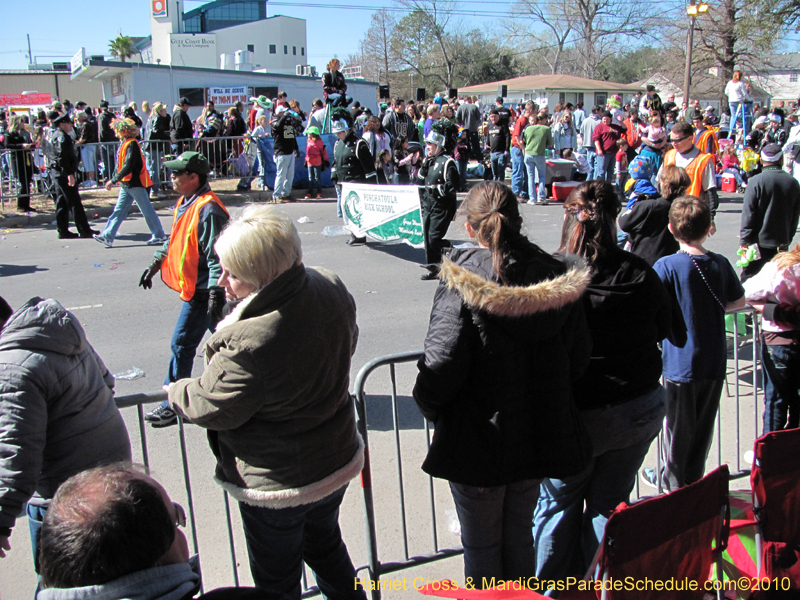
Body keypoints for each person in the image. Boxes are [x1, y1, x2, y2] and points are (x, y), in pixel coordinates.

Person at [168, 205, 366, 599]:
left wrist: (175, 391)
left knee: (276, 581)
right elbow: (347, 343)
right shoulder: (328, 284)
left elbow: (212, 405)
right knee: (326, 548)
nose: (222, 282)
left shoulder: (249, 341)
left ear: (265, 275)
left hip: (279, 484)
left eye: (233, 274)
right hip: (335, 459)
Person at [413, 181, 592, 585]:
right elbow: (577, 359)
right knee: (518, 538)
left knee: (483, 550)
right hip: (534, 434)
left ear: (470, 227)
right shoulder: (556, 275)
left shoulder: (461, 278)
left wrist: (431, 407)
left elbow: (441, 363)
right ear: (517, 219)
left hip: (479, 440)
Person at [534, 180, 670, 583]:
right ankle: (597, 587)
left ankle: (551, 589)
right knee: (607, 505)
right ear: (614, 221)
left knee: (558, 507)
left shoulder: (553, 277)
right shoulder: (640, 272)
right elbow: (668, 330)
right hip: (634, 408)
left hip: (580, 416)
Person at [0, 296, 132, 571]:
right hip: (113, 482)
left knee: (59, 585)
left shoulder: (12, 368)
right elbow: (107, 382)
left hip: (66, 502)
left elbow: (16, 455)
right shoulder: (56, 332)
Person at [643, 195, 745, 491]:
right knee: (702, 430)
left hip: (679, 362)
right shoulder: (720, 263)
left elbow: (653, 308)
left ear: (672, 230)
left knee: (676, 432)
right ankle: (693, 483)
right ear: (708, 228)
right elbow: (737, 301)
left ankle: (674, 490)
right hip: (713, 360)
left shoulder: (667, 265)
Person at [141, 152, 230, 427]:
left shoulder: (209, 209)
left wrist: (216, 293)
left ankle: (173, 403)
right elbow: (176, 239)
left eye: (178, 173)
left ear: (194, 178)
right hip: (197, 291)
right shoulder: (186, 202)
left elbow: (217, 257)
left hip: (207, 293)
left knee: (188, 344)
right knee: (228, 345)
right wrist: (156, 262)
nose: (172, 177)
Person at [743, 243, 800, 434]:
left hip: (778, 340)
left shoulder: (779, 267)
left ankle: (769, 455)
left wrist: (766, 308)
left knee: (776, 401)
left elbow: (747, 292)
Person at [93, 118, 168, 248]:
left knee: (146, 209)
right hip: (127, 183)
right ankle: (108, 236)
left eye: (117, 130)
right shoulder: (127, 143)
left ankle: (159, 235)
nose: (116, 133)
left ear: (123, 131)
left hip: (134, 183)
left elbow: (128, 165)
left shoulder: (131, 144)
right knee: (119, 210)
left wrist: (113, 180)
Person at [739, 143, 800, 281]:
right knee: (776, 280)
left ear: (761, 160)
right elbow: (795, 216)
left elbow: (749, 214)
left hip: (756, 242)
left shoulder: (756, 181)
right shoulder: (792, 182)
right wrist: (787, 238)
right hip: (781, 242)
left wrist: (745, 240)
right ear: (781, 160)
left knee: (750, 280)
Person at [619, 164, 688, 266]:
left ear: (663, 183)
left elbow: (624, 222)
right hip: (672, 258)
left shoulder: (649, 205)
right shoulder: (685, 207)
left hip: (645, 260)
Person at [418, 121, 459, 280]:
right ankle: (434, 269)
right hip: (428, 204)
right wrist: (423, 166)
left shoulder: (447, 162)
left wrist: (437, 189)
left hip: (442, 206)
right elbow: (419, 181)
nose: (427, 146)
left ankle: (454, 252)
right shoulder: (429, 160)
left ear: (439, 145)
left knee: (435, 238)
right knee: (427, 238)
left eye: (430, 144)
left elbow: (453, 186)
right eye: (427, 143)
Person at [45, 112, 97, 239]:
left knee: (62, 202)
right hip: (63, 173)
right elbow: (62, 158)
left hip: (57, 173)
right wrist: (69, 174)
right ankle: (84, 230)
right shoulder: (63, 137)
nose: (71, 125)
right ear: (62, 124)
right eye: (69, 123)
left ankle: (62, 230)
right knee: (75, 202)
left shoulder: (55, 136)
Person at [330, 108, 377, 244]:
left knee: (357, 212)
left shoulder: (359, 144)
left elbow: (369, 168)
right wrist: (334, 174)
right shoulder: (338, 144)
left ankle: (360, 235)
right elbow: (336, 161)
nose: (338, 135)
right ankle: (354, 233)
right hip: (343, 183)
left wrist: (372, 186)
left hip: (357, 184)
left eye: (340, 132)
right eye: (337, 133)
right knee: (347, 212)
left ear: (347, 130)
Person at [660, 121, 719, 219]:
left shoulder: (703, 160)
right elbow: (659, 184)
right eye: (671, 140)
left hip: (692, 212)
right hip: (670, 211)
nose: (674, 143)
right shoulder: (669, 155)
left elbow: (710, 191)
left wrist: (710, 217)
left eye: (678, 140)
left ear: (690, 138)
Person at [4, 115, 36, 211]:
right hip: (17, 160)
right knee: (23, 183)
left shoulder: (25, 132)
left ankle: (27, 205)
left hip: (27, 159)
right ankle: (21, 205)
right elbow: (7, 145)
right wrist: (21, 146)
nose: (23, 124)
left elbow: (29, 142)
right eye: (22, 122)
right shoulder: (9, 132)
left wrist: (31, 145)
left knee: (28, 182)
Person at [523, 113, 554, 206]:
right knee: (542, 176)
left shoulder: (528, 128)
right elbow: (550, 142)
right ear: (544, 119)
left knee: (531, 177)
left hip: (528, 153)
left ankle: (532, 199)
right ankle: (541, 197)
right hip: (539, 154)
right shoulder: (546, 129)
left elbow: (524, 140)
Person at [271, 105, 300, 203]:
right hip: (281, 151)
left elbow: (292, 135)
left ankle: (286, 194)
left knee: (290, 175)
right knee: (281, 174)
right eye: (283, 112)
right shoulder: (275, 120)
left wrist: (296, 148)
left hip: (290, 151)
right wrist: (283, 117)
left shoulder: (288, 122)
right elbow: (277, 127)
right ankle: (276, 195)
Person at [146, 102, 171, 198]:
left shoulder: (151, 118)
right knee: (154, 170)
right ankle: (154, 191)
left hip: (150, 146)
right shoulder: (157, 118)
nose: (165, 111)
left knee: (152, 169)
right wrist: (167, 138)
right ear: (159, 111)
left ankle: (153, 190)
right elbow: (156, 131)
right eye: (164, 110)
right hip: (153, 147)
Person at [593, 111, 623, 183]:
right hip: (604, 153)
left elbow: (624, 129)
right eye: (604, 119)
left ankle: (608, 187)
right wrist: (599, 149)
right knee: (601, 172)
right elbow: (596, 139)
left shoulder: (615, 127)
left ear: (610, 119)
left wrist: (621, 121)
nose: (605, 120)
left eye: (607, 119)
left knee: (611, 171)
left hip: (614, 152)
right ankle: (600, 187)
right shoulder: (599, 127)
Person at [511, 102, 532, 200]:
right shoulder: (522, 120)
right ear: (531, 110)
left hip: (525, 148)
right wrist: (523, 148)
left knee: (525, 171)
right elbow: (517, 136)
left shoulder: (529, 121)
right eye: (535, 110)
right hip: (518, 148)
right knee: (518, 171)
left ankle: (524, 192)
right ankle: (516, 192)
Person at [485, 108, 510, 181]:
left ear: (498, 116)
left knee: (500, 171)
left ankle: (500, 186)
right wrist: (487, 144)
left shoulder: (503, 124)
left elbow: (507, 136)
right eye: (492, 116)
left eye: (495, 116)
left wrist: (507, 149)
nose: (493, 118)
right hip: (493, 152)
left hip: (501, 152)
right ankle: (495, 185)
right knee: (494, 172)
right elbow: (488, 135)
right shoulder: (489, 125)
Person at [74, 111, 98, 189]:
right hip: (88, 146)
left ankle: (92, 179)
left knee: (88, 162)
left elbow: (84, 137)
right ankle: (88, 179)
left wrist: (77, 143)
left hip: (88, 145)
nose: (76, 118)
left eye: (77, 116)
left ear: (81, 117)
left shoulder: (85, 124)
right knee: (86, 163)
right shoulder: (88, 123)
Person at [456, 96, 482, 160]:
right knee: (476, 145)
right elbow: (478, 117)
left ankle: (466, 158)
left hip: (463, 130)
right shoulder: (474, 107)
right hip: (473, 129)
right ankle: (479, 159)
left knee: (464, 144)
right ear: (469, 99)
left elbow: (457, 117)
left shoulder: (460, 107)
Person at [305, 125, 328, 199]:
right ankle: (310, 192)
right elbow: (307, 152)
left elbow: (323, 151)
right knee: (311, 178)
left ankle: (319, 192)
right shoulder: (309, 140)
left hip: (317, 162)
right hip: (310, 162)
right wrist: (306, 160)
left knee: (317, 178)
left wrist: (326, 160)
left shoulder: (319, 142)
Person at [580, 106, 601, 180]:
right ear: (597, 111)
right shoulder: (599, 121)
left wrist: (584, 140)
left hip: (588, 145)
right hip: (597, 146)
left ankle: (588, 181)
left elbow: (581, 132)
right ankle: (594, 182)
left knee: (589, 166)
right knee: (596, 167)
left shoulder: (585, 121)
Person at [98, 101, 116, 181]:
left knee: (107, 161)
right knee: (114, 160)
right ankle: (114, 177)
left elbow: (102, 130)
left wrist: (101, 140)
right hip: (114, 140)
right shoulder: (112, 115)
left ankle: (108, 177)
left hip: (106, 142)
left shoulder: (102, 116)